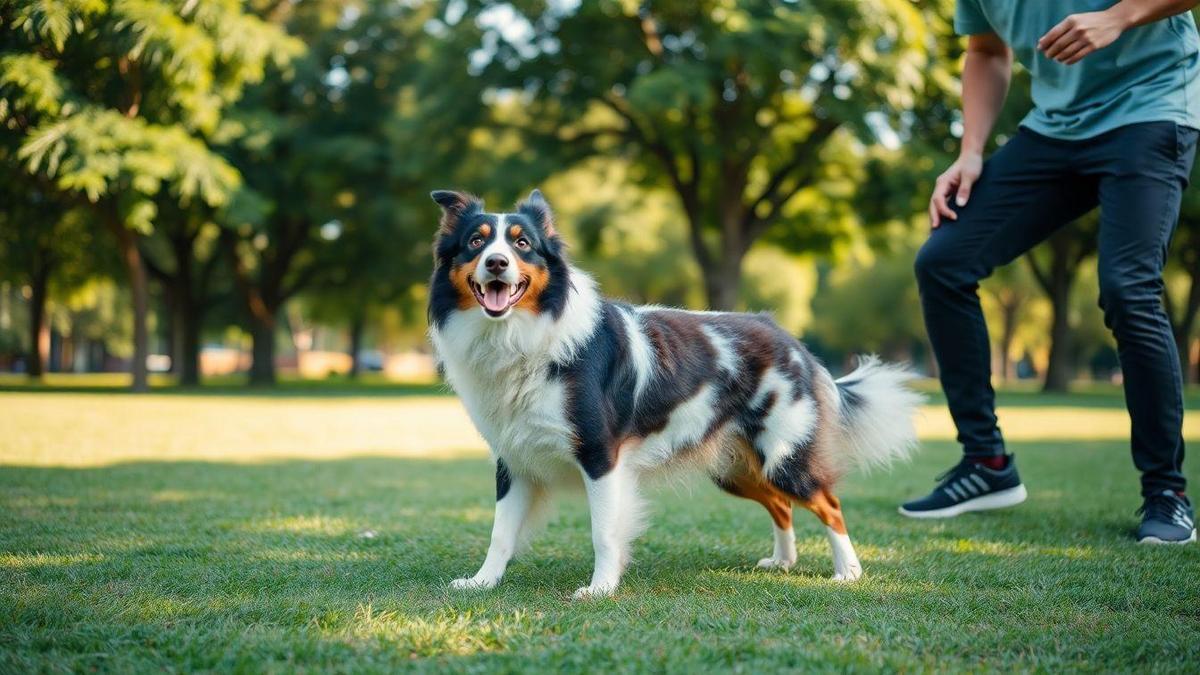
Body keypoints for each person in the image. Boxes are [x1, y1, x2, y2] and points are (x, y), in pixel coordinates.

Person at [901, 0, 1200, 544]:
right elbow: (987, 51)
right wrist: (971, 150)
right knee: (944, 260)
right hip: (1055, 129)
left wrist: (1119, 17)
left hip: (1151, 107)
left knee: (1127, 287)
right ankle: (986, 464)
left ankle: (1167, 492)